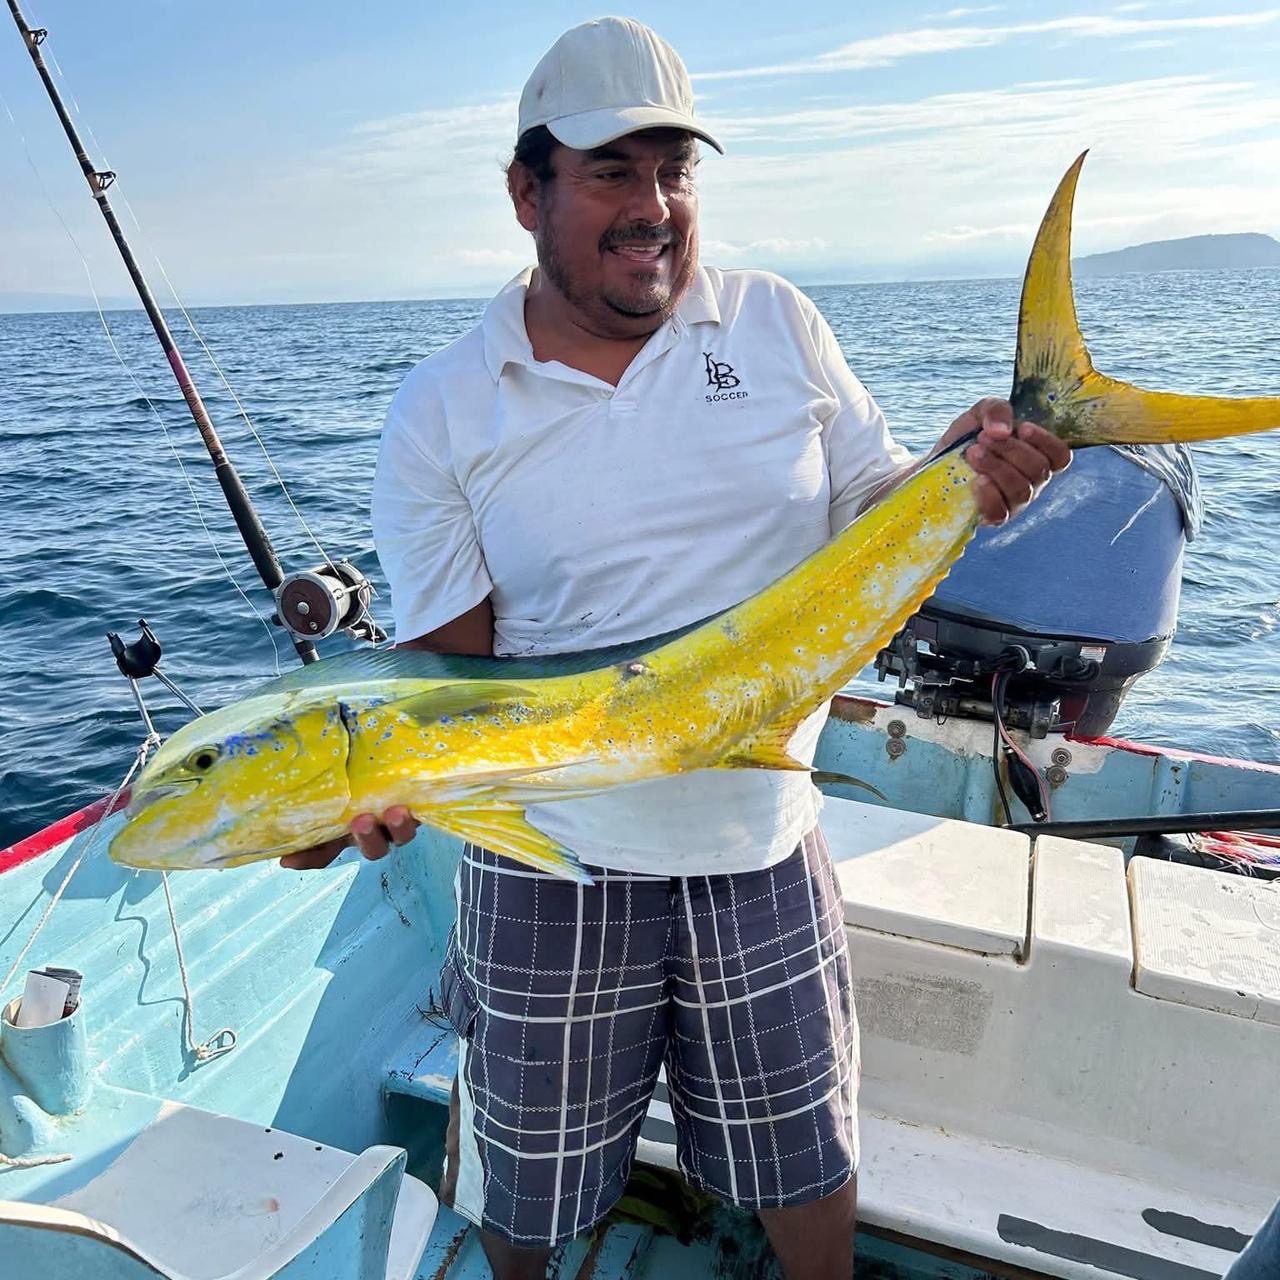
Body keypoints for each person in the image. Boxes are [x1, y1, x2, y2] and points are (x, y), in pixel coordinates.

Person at [284, 17, 1070, 1279]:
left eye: (673, 171)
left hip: (759, 839)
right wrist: (360, 798)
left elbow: (869, 510)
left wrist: (958, 472)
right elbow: (452, 681)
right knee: (526, 1191)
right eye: (611, 173)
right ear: (525, 192)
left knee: (805, 1162)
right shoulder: (443, 406)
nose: (651, 206)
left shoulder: (776, 322)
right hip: (550, 863)